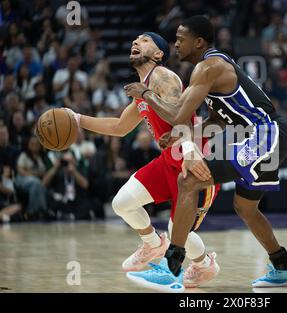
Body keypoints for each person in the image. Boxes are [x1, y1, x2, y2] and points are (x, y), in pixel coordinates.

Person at [124, 16, 287, 292]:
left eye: (181, 39)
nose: (176, 44)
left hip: (265, 134)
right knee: (245, 207)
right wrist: (185, 136)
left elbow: (179, 115)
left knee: (189, 180)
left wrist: (146, 94)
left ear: (198, 42)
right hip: (262, 136)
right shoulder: (211, 69)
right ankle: (284, 266)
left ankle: (171, 268)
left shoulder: (208, 67)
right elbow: (217, 121)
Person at [67, 31, 220, 287]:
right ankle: (152, 244)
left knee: (177, 232)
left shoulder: (162, 76)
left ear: (159, 54)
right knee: (122, 203)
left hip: (194, 164)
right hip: (169, 161)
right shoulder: (143, 88)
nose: (136, 42)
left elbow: (179, 117)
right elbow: (118, 126)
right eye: (135, 39)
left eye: (145, 40)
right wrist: (77, 119)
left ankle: (204, 264)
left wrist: (146, 95)